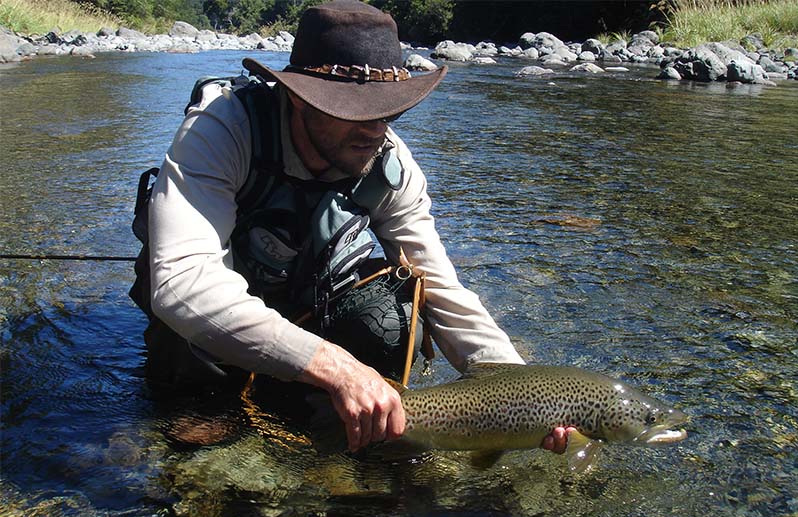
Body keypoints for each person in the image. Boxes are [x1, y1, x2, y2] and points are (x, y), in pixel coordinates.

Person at [138, 0, 572, 454]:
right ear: (296, 99)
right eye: (351, 109)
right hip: (213, 288)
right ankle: (209, 405)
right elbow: (181, 282)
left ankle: (330, 409)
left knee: (401, 315)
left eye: (387, 111)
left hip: (307, 290)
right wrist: (333, 366)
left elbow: (441, 287)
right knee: (186, 377)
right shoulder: (221, 130)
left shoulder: (389, 162)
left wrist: (520, 384)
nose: (374, 129)